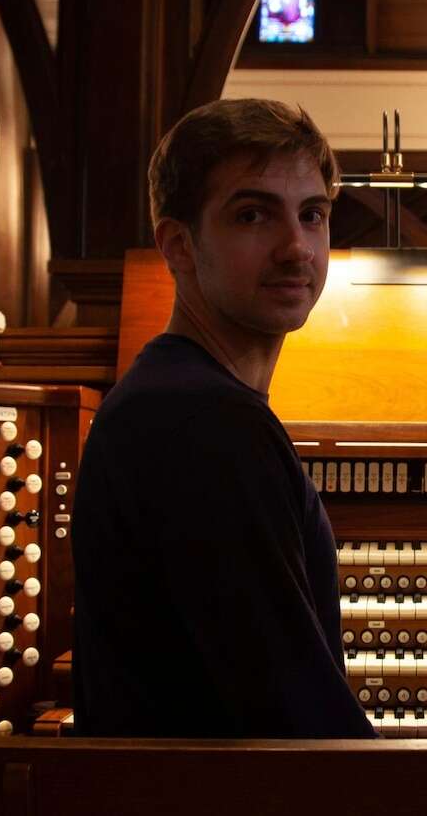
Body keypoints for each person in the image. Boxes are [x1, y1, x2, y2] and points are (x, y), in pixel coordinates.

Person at [69, 98, 376, 739]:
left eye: (312, 215)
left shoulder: (180, 397)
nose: (297, 248)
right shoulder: (205, 425)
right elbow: (296, 725)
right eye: (252, 215)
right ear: (179, 245)